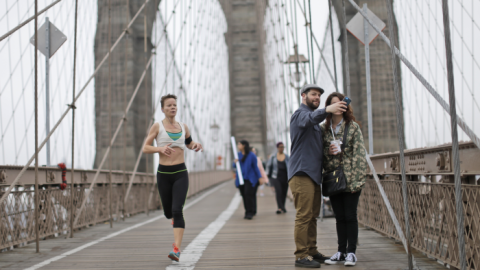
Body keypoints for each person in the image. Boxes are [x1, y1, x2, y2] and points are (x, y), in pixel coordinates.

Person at [288, 84, 347, 268]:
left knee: (312, 215)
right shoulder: (300, 114)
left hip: (313, 175)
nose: (317, 97)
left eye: (319, 95)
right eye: (313, 94)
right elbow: (308, 119)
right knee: (304, 215)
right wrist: (328, 109)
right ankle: (301, 255)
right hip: (301, 172)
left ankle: (311, 251)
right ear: (303, 96)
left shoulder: (314, 123)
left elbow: (314, 145)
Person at [142, 94, 203, 262]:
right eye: (169, 105)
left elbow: (189, 144)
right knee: (168, 212)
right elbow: (145, 148)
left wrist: (195, 145)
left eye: (174, 105)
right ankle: (172, 218)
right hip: (163, 174)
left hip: (180, 173)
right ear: (162, 109)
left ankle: (176, 249)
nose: (172, 107)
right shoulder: (157, 127)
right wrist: (160, 149)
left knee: (177, 210)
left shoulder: (184, 127)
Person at [320, 92, 367, 266]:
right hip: (333, 179)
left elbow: (360, 154)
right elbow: (321, 155)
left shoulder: (352, 127)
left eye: (340, 103)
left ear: (344, 106)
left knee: (350, 215)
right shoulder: (324, 130)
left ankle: (351, 253)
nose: (337, 107)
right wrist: (328, 151)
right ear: (329, 108)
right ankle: (340, 251)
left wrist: (357, 181)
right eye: (333, 104)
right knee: (339, 217)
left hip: (351, 179)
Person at [234, 140, 262, 220]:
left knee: (248, 194)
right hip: (240, 178)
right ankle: (248, 210)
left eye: (239, 144)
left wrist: (259, 177)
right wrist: (235, 162)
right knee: (244, 195)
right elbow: (234, 165)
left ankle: (249, 212)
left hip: (250, 178)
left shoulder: (251, 155)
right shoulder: (238, 155)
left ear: (244, 145)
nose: (238, 146)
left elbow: (255, 167)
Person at [266, 142, 290, 214]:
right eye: (280, 147)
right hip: (276, 177)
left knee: (284, 192)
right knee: (279, 191)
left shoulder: (287, 157)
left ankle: (283, 206)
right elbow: (269, 166)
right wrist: (267, 176)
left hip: (285, 177)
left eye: (282, 147)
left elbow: (290, 165)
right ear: (277, 148)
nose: (281, 148)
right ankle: (280, 208)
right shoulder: (273, 157)